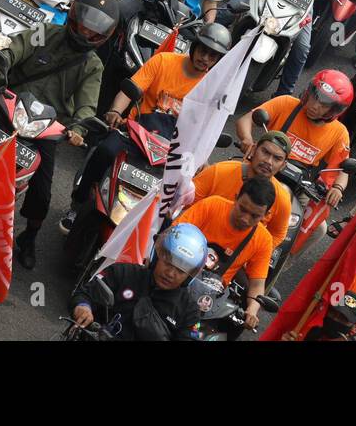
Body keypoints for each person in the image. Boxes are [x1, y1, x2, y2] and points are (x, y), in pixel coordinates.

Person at [0, 0, 117, 269]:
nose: (86, 34)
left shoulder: (92, 65)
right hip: (9, 107)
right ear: (73, 16)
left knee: (43, 190)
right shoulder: (43, 31)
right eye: (84, 26)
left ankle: (29, 236)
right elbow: (12, 51)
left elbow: (87, 105)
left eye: (95, 33)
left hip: (47, 128)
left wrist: (79, 129)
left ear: (104, 36)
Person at [63, 24, 231, 230]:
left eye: (213, 56)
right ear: (194, 47)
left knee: (176, 200)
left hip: (174, 150)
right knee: (105, 151)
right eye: (203, 51)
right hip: (136, 133)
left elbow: (208, 129)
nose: (205, 58)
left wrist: (203, 158)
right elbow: (130, 89)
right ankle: (77, 204)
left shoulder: (213, 91)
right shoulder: (163, 61)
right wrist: (116, 111)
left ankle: (150, 243)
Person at [237, 70, 353, 222]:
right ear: (309, 92)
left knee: (318, 228)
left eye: (325, 104)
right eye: (315, 97)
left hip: (298, 185)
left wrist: (338, 188)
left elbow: (343, 168)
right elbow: (246, 119)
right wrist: (247, 139)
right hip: (264, 165)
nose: (315, 106)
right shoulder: (286, 103)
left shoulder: (339, 132)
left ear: (334, 110)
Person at [69, 224, 207, 339]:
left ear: (189, 276)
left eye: (180, 271)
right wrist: (83, 307)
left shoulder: (189, 312)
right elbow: (84, 294)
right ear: (156, 256)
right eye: (168, 263)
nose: (170, 273)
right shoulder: (122, 273)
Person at [172, 183, 276, 331]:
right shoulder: (212, 205)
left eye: (255, 216)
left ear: (265, 216)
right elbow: (174, 234)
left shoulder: (263, 239)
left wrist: (252, 310)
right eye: (243, 209)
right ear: (235, 198)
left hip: (208, 302)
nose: (245, 219)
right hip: (177, 276)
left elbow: (257, 284)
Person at [191, 131, 294, 246]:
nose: (268, 161)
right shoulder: (219, 171)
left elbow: (277, 235)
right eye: (265, 152)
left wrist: (252, 252)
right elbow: (187, 204)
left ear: (283, 165)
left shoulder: (283, 200)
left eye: (277, 158)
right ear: (254, 149)